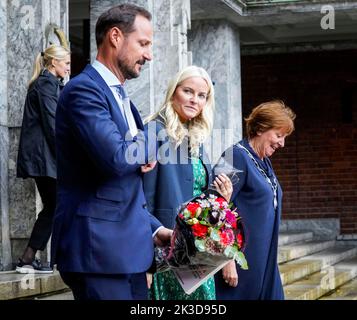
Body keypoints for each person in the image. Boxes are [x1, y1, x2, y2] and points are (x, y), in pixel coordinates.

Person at [51, 4, 172, 300]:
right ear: (115, 36)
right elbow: (117, 160)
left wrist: (155, 231)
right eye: (143, 43)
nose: (149, 55)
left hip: (129, 253)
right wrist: (156, 131)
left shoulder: (124, 100)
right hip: (98, 253)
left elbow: (124, 183)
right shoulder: (83, 90)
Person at [143, 65, 233, 300]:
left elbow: (198, 195)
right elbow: (141, 200)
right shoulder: (155, 132)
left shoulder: (195, 138)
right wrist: (146, 260)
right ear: (174, 92)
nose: (195, 100)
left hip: (198, 254)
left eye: (201, 95)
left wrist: (221, 197)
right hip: (168, 253)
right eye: (188, 91)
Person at [214, 100, 296, 300]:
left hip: (266, 263)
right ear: (260, 128)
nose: (282, 143)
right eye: (278, 135)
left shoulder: (264, 162)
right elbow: (213, 208)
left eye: (284, 137)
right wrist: (227, 260)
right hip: (241, 267)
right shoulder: (234, 156)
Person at [16, 44, 71, 274]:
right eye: (66, 63)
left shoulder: (49, 83)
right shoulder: (46, 83)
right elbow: (53, 124)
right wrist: (67, 157)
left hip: (43, 158)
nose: (69, 67)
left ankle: (29, 258)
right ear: (53, 63)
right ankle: (31, 258)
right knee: (56, 205)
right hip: (44, 158)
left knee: (54, 205)